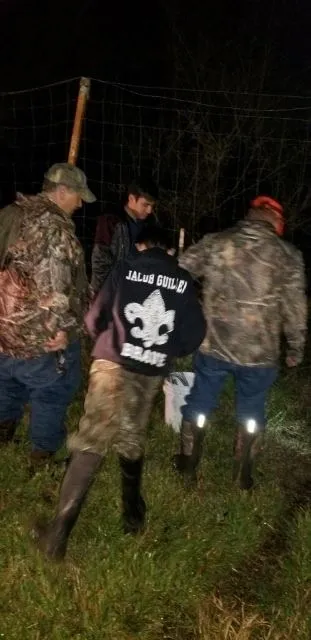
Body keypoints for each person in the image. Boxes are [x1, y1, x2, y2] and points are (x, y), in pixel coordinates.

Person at [33, 226, 206, 560]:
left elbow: (95, 316)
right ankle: (132, 516)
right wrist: (167, 349)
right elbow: (195, 333)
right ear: (170, 250)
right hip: (149, 369)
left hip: (112, 362)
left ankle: (58, 534)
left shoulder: (126, 268)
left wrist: (103, 337)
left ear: (141, 244)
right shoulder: (183, 280)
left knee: (92, 439)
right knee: (131, 437)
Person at [174, 195, 307, 490]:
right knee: (252, 409)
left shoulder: (217, 242)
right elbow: (295, 309)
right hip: (260, 354)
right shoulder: (289, 256)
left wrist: (189, 310)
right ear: (275, 222)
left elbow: (180, 270)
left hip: (214, 346)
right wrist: (296, 347)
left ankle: (188, 462)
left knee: (201, 400)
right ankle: (243, 473)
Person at [0, 163, 96, 469]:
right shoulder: (55, 228)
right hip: (38, 330)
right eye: (78, 196)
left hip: (4, 325)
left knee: (7, 380)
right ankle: (43, 454)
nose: (80, 203)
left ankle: (4, 430)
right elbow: (55, 286)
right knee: (53, 390)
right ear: (62, 191)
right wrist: (62, 328)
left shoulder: (10, 213)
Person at [91, 179, 158, 296]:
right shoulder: (111, 221)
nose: (149, 210)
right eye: (146, 204)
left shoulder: (150, 225)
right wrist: (104, 296)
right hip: (111, 294)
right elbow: (100, 262)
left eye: (152, 206)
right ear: (132, 199)